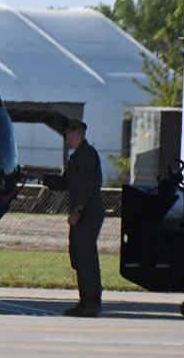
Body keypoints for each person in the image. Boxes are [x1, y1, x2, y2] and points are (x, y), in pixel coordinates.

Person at [59, 119, 104, 317]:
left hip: (87, 212)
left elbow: (86, 184)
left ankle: (92, 302)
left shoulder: (86, 154)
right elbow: (65, 182)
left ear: (74, 134)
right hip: (82, 212)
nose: (65, 139)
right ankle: (84, 301)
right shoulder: (77, 156)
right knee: (78, 257)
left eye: (66, 135)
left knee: (86, 256)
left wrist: (78, 209)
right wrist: (40, 176)